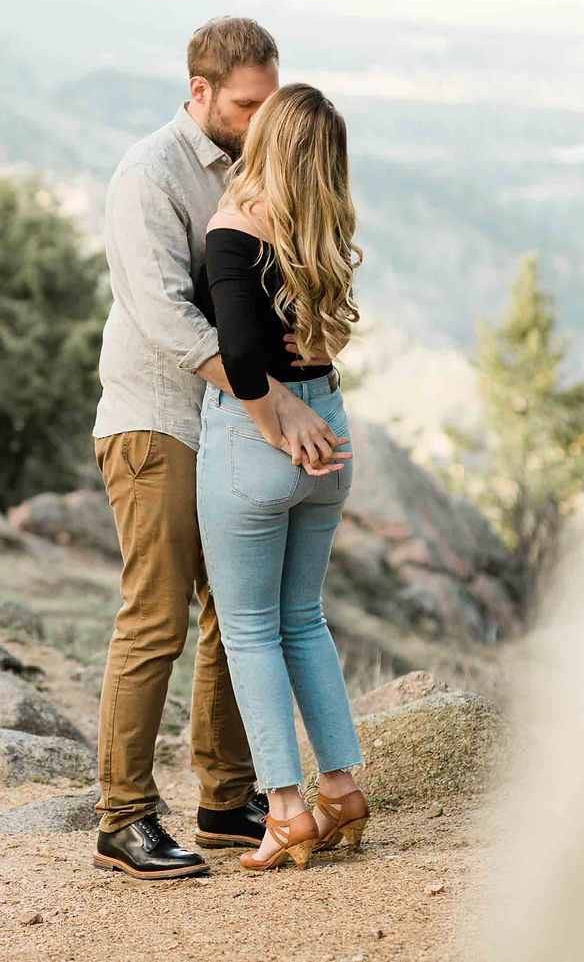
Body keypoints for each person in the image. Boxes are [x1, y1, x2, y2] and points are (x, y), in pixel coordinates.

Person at [91, 20, 355, 880]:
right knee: (158, 616)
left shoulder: (259, 171)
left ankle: (229, 798)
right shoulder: (150, 176)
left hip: (229, 423)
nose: (259, 117)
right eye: (246, 104)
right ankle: (124, 817)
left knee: (232, 616)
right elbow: (170, 316)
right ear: (198, 91)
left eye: (269, 102)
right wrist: (275, 404)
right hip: (160, 419)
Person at [194, 81, 369, 873]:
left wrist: (271, 424)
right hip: (331, 431)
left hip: (255, 442)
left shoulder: (234, 230)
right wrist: (303, 421)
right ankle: (342, 789)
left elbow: (238, 356)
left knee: (251, 630)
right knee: (304, 618)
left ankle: (288, 810)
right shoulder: (324, 229)